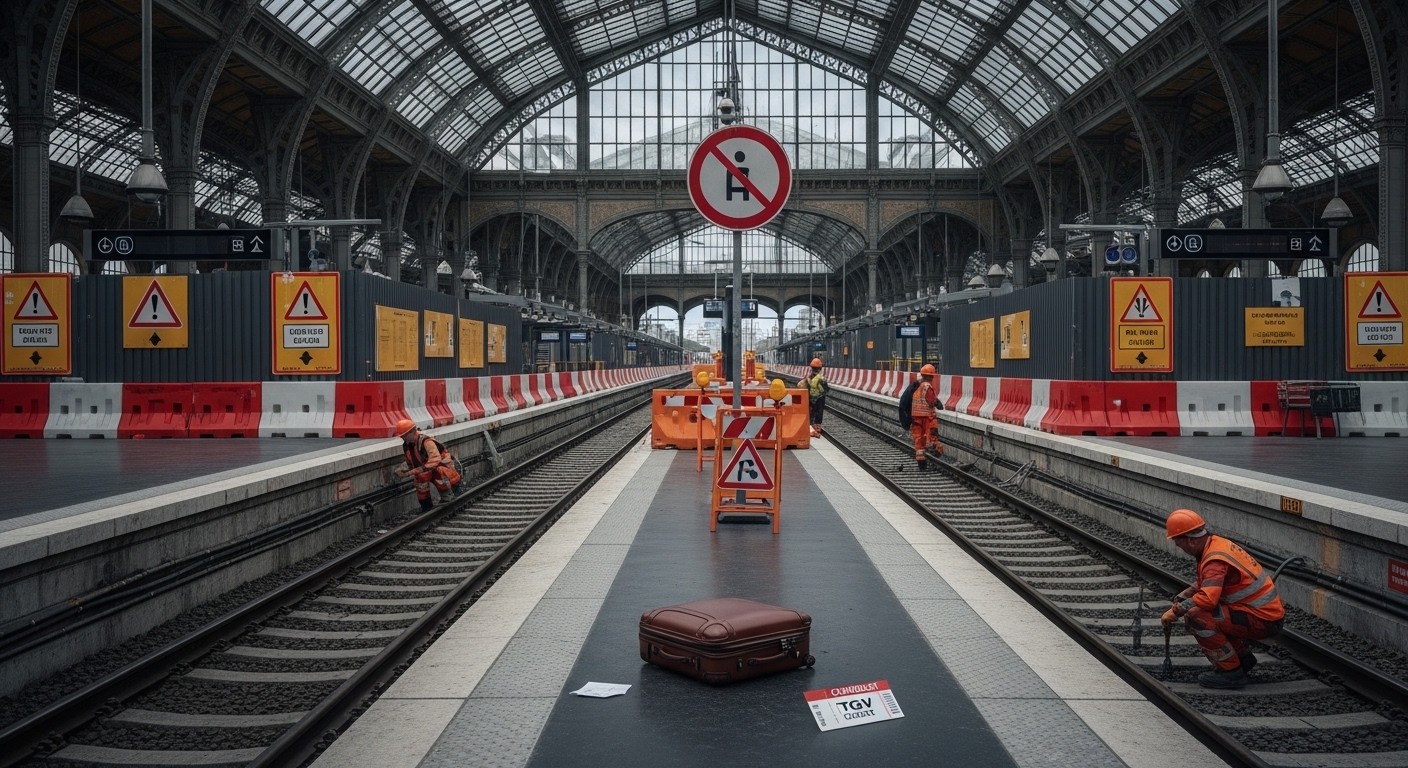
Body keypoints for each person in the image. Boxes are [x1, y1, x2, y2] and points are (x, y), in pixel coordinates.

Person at [1161, 508, 1285, 689]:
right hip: (1262, 613)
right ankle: (1242, 658)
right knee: (1211, 613)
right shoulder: (1216, 544)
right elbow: (1207, 582)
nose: (1180, 549)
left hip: (1262, 619)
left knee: (1197, 616)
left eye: (1179, 544)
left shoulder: (1213, 560)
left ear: (1190, 540)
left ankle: (1231, 673)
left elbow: (1208, 598)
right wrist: (1183, 596)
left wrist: (1176, 611)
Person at [394, 418, 464, 512]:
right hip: (427, 468)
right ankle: (426, 507)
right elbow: (411, 461)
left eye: (404, 436)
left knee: (440, 473)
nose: (403, 439)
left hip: (442, 466)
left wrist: (417, 470)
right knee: (420, 479)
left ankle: (450, 496)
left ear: (412, 432)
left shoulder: (426, 441)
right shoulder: (407, 445)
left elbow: (435, 460)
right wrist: (404, 469)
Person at [908, 364, 941, 470]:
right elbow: (931, 400)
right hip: (927, 416)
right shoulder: (928, 386)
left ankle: (921, 464)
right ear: (932, 376)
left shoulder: (917, 386)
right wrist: (938, 404)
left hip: (916, 417)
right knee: (932, 435)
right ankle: (937, 452)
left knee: (918, 440)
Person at [805, 358, 828, 438]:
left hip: (810, 398)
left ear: (811, 368)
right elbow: (826, 389)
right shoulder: (821, 378)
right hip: (819, 399)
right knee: (819, 414)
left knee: (811, 413)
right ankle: (817, 430)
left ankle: (810, 427)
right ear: (820, 368)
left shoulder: (808, 378)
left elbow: (806, 388)